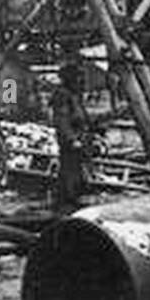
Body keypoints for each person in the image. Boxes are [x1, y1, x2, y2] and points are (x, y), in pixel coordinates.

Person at [50, 61, 91, 213]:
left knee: (76, 168)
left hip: (77, 136)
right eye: (78, 76)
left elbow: (79, 115)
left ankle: (72, 197)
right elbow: (62, 119)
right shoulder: (63, 94)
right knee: (69, 168)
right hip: (70, 139)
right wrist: (72, 139)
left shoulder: (74, 94)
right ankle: (65, 201)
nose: (82, 80)